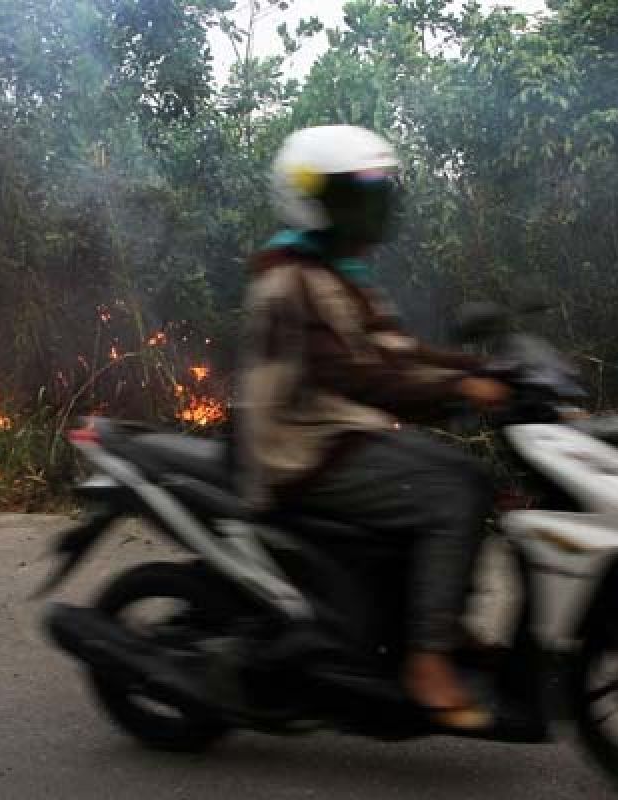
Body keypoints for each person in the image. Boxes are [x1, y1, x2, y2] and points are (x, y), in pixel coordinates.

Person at [234, 125, 510, 730]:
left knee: (466, 474)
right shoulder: (290, 278)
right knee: (452, 492)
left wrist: (491, 370)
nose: (374, 208)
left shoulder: (338, 272)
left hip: (339, 433)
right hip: (299, 449)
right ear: (313, 199)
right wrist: (460, 390)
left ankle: (436, 618)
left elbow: (395, 350)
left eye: (378, 193)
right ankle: (428, 660)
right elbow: (357, 374)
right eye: (358, 195)